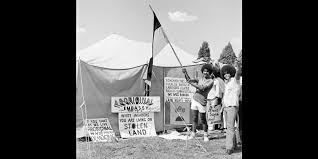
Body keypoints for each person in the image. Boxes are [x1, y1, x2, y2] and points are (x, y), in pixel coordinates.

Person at [182, 64, 214, 142]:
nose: (205, 72)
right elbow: (188, 80)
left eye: (207, 71)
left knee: (203, 119)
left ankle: (205, 135)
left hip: (202, 102)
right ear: (202, 71)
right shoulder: (200, 78)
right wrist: (185, 73)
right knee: (194, 118)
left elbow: (202, 88)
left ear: (209, 72)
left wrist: (191, 83)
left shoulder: (211, 81)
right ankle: (193, 134)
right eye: (204, 71)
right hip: (194, 100)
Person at [220, 64, 241, 155]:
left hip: (232, 107)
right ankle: (234, 145)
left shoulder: (235, 81)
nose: (226, 75)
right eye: (224, 74)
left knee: (230, 127)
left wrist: (239, 66)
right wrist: (222, 107)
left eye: (228, 73)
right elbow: (225, 97)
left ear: (231, 73)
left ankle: (229, 147)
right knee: (230, 126)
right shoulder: (226, 83)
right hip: (226, 107)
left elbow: (238, 74)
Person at [206, 65, 225, 131]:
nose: (210, 74)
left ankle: (213, 126)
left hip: (214, 98)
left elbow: (217, 90)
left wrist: (217, 97)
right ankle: (209, 125)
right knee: (208, 112)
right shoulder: (207, 80)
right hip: (208, 98)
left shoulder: (216, 80)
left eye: (211, 73)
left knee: (213, 112)